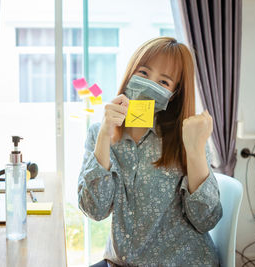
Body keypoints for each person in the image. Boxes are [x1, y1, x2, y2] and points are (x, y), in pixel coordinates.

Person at [78, 37, 222, 266]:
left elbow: (206, 220)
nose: (150, 84)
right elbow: (94, 210)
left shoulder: (187, 137)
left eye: (164, 82)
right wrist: (105, 133)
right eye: (144, 73)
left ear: (174, 94)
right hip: (120, 261)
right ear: (130, 73)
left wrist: (194, 151)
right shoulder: (99, 132)